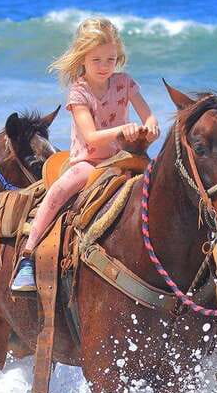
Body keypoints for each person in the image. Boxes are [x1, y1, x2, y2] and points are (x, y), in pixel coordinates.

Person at [11, 17, 159, 291]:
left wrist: (151, 127)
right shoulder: (79, 92)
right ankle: (27, 256)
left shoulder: (125, 83)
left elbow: (148, 115)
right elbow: (90, 136)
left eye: (110, 59)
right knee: (58, 191)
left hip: (125, 158)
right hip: (89, 161)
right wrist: (121, 130)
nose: (104, 66)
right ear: (83, 59)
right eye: (97, 60)